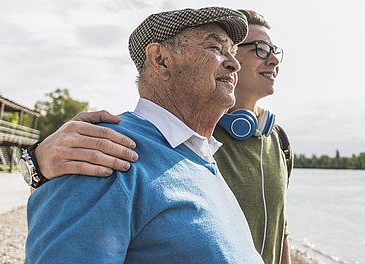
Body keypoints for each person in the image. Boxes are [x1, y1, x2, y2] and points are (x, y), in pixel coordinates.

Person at [24, 9, 292, 264]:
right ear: (160, 59)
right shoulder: (105, 155)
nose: (234, 64)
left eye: (232, 52)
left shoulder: (200, 155)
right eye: (215, 48)